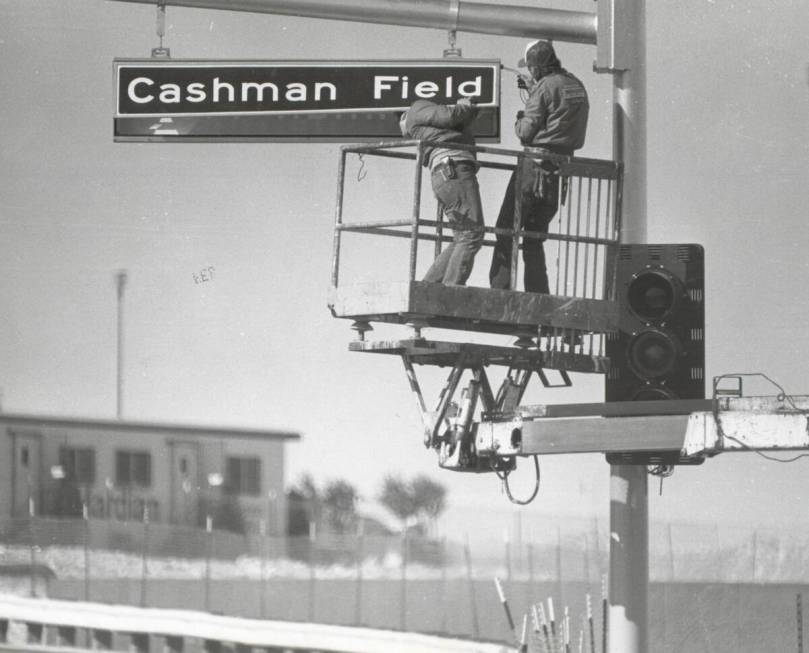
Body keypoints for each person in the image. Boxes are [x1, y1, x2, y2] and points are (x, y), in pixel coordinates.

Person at [489, 40, 589, 294]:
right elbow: (558, 110)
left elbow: (525, 132)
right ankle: (538, 293)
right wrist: (537, 89)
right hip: (560, 170)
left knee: (505, 229)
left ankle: (500, 292)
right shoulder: (575, 84)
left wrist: (521, 115)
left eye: (531, 67)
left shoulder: (543, 88)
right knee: (534, 237)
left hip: (533, 168)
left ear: (535, 67)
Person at [399, 97, 484, 286]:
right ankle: (448, 294)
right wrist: (463, 106)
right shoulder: (417, 107)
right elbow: (447, 116)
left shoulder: (426, 126)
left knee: (461, 237)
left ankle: (428, 289)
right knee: (472, 234)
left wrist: (468, 111)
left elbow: (453, 122)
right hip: (454, 169)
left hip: (447, 174)